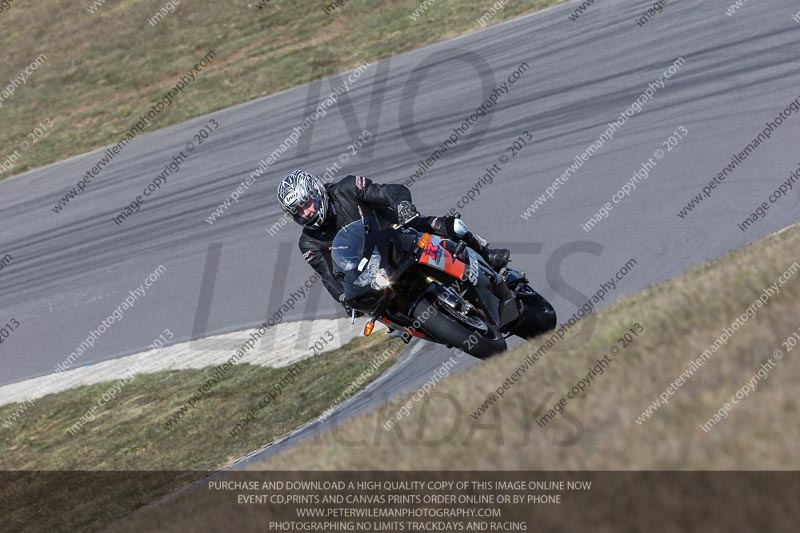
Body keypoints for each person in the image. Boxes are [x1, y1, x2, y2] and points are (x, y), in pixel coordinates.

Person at [277, 169, 510, 314]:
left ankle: (486, 255)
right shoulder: (309, 243)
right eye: (297, 211)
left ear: (317, 192)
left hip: (401, 235)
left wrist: (404, 207)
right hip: (373, 273)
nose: (306, 213)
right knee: (380, 313)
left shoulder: (347, 187)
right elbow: (328, 276)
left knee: (451, 226)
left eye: (306, 203)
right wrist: (345, 299)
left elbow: (391, 191)